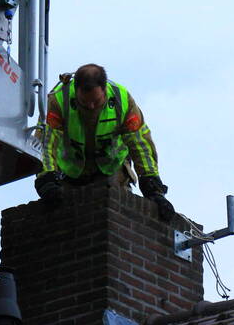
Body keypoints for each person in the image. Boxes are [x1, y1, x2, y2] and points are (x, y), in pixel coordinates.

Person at [35, 64, 175, 221]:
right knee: (63, 217)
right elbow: (46, 143)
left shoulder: (122, 101)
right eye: (84, 102)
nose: (91, 106)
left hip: (112, 168)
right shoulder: (58, 100)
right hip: (70, 171)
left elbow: (139, 143)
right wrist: (46, 178)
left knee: (120, 216)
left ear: (105, 89)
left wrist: (152, 186)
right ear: (76, 89)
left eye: (96, 101)